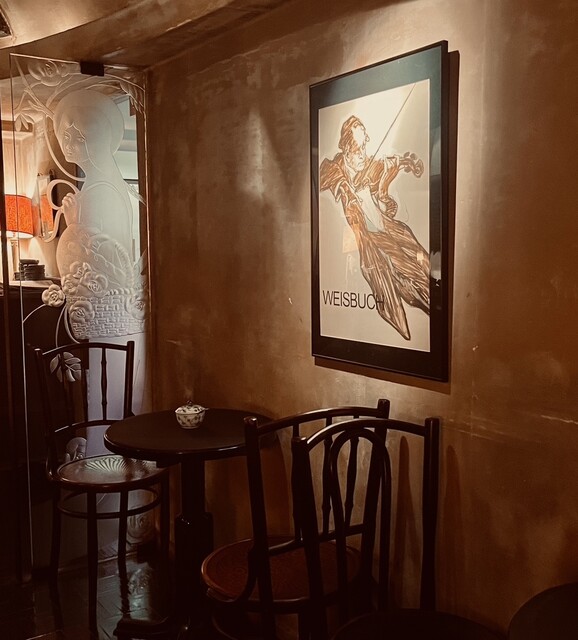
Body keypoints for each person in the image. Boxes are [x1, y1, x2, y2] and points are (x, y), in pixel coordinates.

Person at [319, 115, 430, 340]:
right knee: (393, 268)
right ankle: (415, 300)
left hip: (384, 225)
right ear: (346, 148)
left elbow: (389, 163)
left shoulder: (369, 165)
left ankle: (429, 298)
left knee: (417, 256)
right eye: (357, 149)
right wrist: (346, 189)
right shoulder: (334, 168)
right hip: (366, 238)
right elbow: (325, 177)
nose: (362, 154)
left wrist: (408, 163)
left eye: (364, 146)